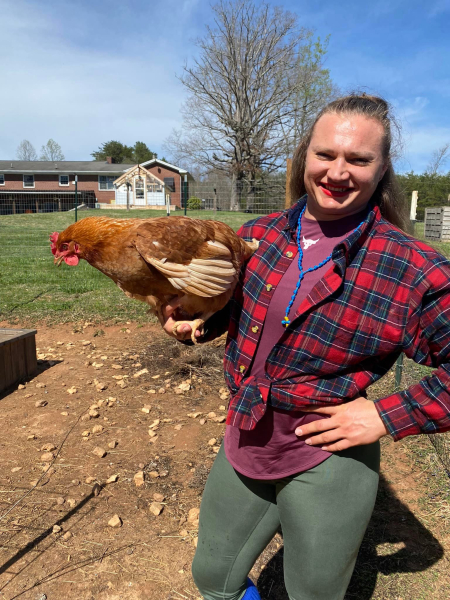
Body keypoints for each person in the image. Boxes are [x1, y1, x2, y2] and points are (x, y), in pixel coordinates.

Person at [161, 94, 450, 600]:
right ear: (304, 158)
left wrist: (385, 416)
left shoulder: (412, 267)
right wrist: (195, 324)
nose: (338, 171)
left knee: (313, 593)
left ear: (381, 170)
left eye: (359, 159)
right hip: (248, 431)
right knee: (214, 577)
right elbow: (238, 314)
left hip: (327, 451)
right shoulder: (255, 236)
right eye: (325, 154)